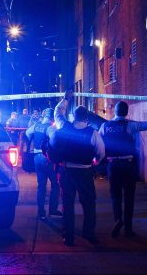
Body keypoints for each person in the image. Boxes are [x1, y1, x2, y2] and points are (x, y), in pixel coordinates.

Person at [98, 101, 147, 238]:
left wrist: (99, 160)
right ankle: (128, 228)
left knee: (115, 196)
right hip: (128, 164)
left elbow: (99, 143)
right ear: (126, 112)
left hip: (113, 165)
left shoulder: (105, 126)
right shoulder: (131, 125)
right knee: (129, 197)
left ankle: (117, 220)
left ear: (115, 111)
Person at [50, 105, 105, 246]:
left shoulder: (65, 127)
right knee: (88, 204)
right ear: (86, 118)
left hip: (67, 171)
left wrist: (65, 100)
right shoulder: (93, 133)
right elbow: (101, 153)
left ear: (74, 117)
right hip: (85, 172)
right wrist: (94, 162)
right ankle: (89, 233)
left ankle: (68, 237)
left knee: (67, 205)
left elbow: (57, 113)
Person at [25, 108, 61, 220]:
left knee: (41, 186)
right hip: (47, 159)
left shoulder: (36, 125)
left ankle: (41, 212)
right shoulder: (50, 128)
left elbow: (27, 133)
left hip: (36, 158)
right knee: (56, 184)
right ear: (52, 118)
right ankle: (53, 210)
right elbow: (55, 141)